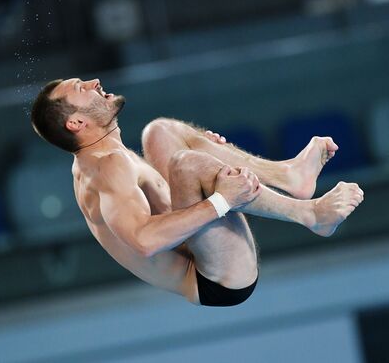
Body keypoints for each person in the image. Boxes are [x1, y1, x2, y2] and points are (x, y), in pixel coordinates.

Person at [30, 77, 364, 306]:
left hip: (198, 243)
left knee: (159, 132)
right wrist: (222, 199)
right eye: (81, 88)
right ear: (75, 123)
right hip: (213, 279)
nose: (93, 84)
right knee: (187, 164)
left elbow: (159, 195)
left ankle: (289, 175)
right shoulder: (104, 168)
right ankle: (311, 215)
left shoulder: (107, 155)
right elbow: (144, 242)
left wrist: (207, 149)